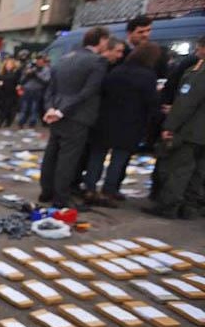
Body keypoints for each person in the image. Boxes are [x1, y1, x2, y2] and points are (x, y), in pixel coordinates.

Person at [39, 26, 109, 208]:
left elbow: (50, 90)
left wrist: (51, 109)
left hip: (56, 113)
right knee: (67, 159)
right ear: (101, 40)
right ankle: (61, 198)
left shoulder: (63, 59)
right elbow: (89, 91)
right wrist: (63, 111)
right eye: (106, 42)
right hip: (76, 116)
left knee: (52, 154)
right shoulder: (97, 61)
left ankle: (46, 191)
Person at [82, 43, 159, 206]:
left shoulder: (116, 71)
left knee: (97, 156)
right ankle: (108, 192)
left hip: (105, 120)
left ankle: (90, 188)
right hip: (130, 123)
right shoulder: (148, 76)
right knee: (118, 159)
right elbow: (150, 101)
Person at [146, 40, 205, 219]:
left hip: (190, 131)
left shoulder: (199, 74)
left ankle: (168, 206)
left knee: (179, 169)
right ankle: (190, 208)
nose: (197, 51)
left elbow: (186, 104)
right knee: (198, 172)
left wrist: (170, 126)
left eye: (199, 47)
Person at [17, 54, 50, 128]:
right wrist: (28, 74)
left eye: (41, 61)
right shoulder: (30, 67)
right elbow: (22, 80)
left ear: (43, 62)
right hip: (27, 90)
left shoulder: (46, 69)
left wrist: (36, 75)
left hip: (37, 90)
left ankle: (32, 123)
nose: (39, 62)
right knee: (24, 107)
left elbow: (46, 81)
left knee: (34, 108)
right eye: (38, 60)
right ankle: (21, 122)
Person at [0, 58, 21, 128]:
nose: (8, 66)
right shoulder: (2, 72)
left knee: (8, 108)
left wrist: (18, 86)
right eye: (7, 64)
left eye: (10, 64)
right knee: (3, 107)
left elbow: (18, 81)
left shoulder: (16, 72)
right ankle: (3, 121)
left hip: (12, 93)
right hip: (3, 92)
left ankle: (4, 122)